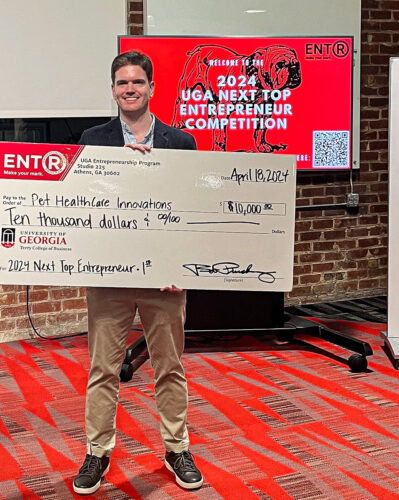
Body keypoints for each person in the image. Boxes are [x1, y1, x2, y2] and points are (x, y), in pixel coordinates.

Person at [72, 51, 203, 495]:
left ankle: (176, 447)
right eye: (122, 83)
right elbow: (82, 207)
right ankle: (97, 452)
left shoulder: (180, 142)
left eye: (138, 82)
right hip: (109, 278)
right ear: (113, 90)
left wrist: (182, 265)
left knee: (169, 367)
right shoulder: (92, 139)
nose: (130, 89)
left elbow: (192, 212)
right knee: (102, 369)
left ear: (152, 88)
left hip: (164, 279)